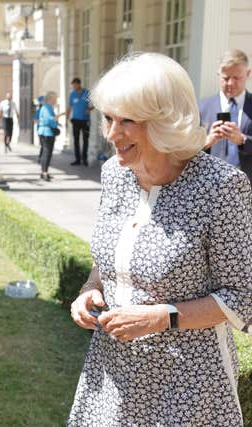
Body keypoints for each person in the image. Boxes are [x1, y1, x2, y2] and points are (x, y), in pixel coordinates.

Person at [68, 52, 252, 426]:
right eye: (108, 118)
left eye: (127, 121)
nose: (112, 134)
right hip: (112, 372)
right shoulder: (114, 174)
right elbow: (113, 254)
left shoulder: (221, 187)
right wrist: (90, 287)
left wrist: (160, 317)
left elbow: (242, 297)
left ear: (165, 123)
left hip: (189, 386)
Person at [199, 49, 252, 179]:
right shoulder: (201, 107)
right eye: (226, 78)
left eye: (236, 78)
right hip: (211, 187)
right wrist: (206, 142)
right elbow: (186, 151)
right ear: (218, 74)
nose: (230, 83)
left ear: (248, 74)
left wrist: (242, 140)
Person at [66, 78, 93, 166]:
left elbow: (94, 104)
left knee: (85, 140)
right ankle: (77, 160)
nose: (74, 87)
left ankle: (85, 159)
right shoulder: (72, 94)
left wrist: (89, 109)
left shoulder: (86, 93)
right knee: (76, 140)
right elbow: (69, 107)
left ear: (79, 84)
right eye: (73, 85)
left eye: (75, 85)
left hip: (85, 120)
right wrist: (67, 118)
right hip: (75, 120)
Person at [36, 91, 59, 181]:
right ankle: (44, 172)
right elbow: (48, 120)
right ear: (51, 99)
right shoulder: (46, 107)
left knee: (47, 153)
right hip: (47, 132)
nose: (56, 100)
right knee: (47, 153)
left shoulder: (48, 107)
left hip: (46, 132)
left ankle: (44, 171)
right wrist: (55, 120)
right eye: (55, 98)